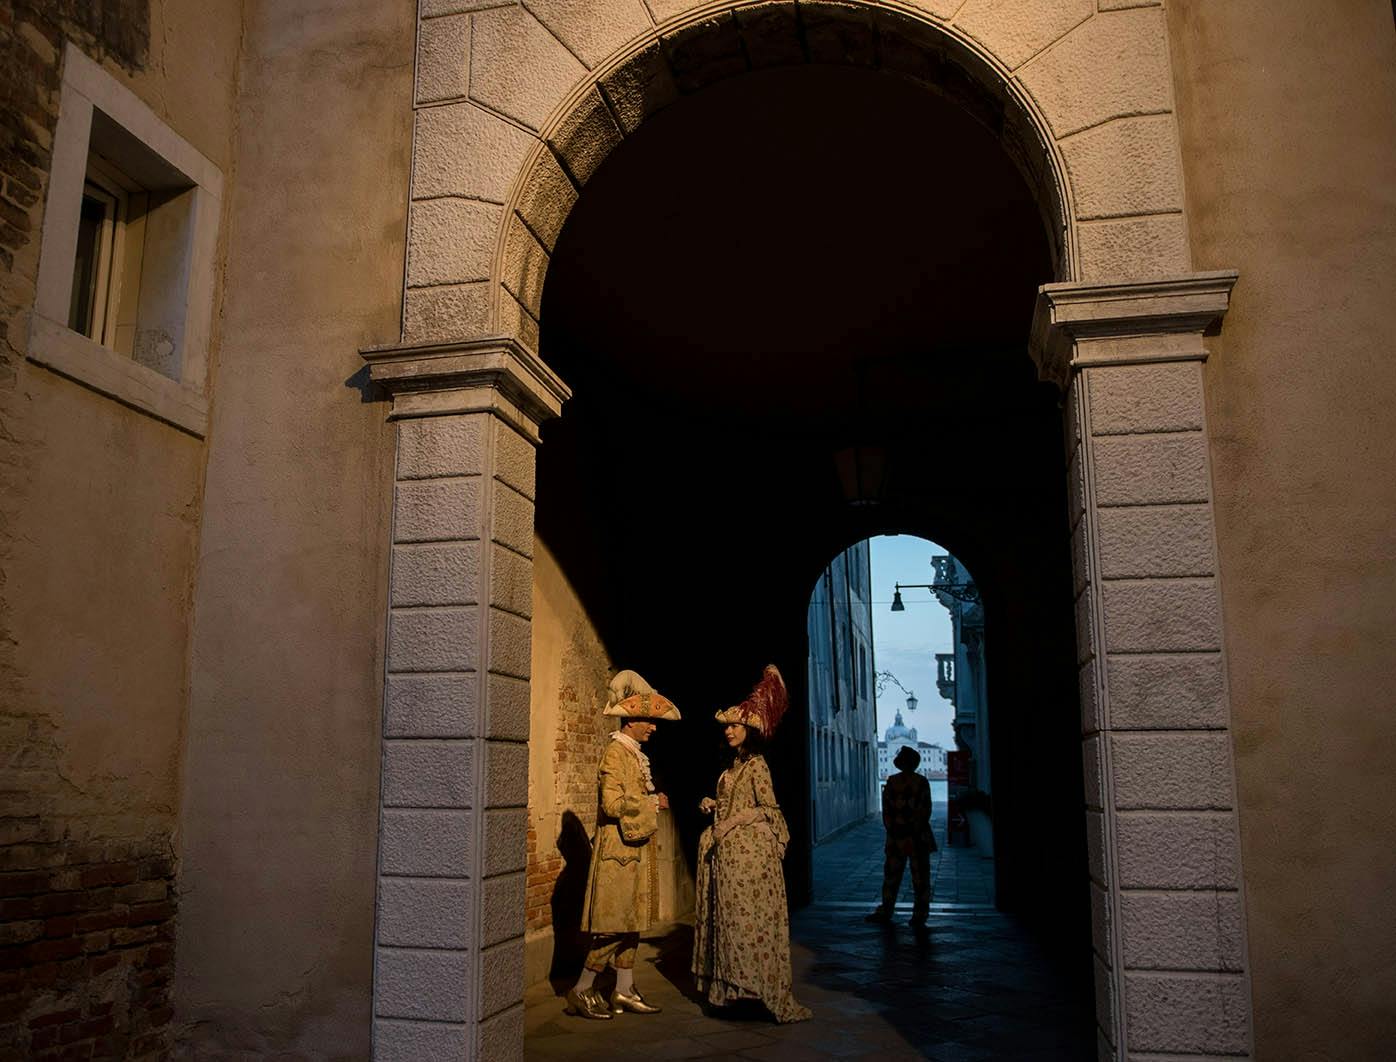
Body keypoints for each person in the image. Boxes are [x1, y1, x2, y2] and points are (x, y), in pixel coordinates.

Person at [692, 665, 812, 1023]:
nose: (728, 731)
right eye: (726, 727)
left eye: (734, 726)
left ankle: (761, 989)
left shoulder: (758, 764)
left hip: (749, 857)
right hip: (729, 856)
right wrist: (713, 804)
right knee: (730, 923)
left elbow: (767, 810)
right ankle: (732, 991)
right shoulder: (732, 766)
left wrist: (731, 821)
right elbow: (736, 801)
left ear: (749, 730)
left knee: (750, 923)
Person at [566, 670, 680, 1020]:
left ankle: (624, 989)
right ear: (631, 721)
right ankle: (582, 988)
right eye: (649, 721)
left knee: (633, 925)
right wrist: (651, 804)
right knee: (613, 927)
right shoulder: (616, 753)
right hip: (617, 856)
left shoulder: (633, 754)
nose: (653, 727)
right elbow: (611, 805)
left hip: (633, 854)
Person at [865, 744, 936, 929]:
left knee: (891, 876)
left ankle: (887, 910)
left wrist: (893, 829)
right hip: (917, 838)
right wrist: (913, 828)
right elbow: (925, 810)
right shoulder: (921, 782)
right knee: (920, 878)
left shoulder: (891, 781)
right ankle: (920, 915)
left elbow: (886, 811)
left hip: (896, 837)